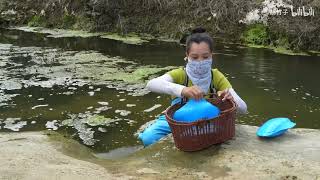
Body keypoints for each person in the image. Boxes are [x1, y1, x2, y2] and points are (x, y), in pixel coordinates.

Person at [138, 27, 247, 146]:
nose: (200, 61)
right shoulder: (180, 74)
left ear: (212, 55)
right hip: (178, 120)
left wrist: (230, 98)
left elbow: (244, 109)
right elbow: (151, 84)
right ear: (187, 56)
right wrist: (183, 90)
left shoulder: (216, 76)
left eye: (205, 57)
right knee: (148, 138)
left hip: (207, 120)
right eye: (195, 57)